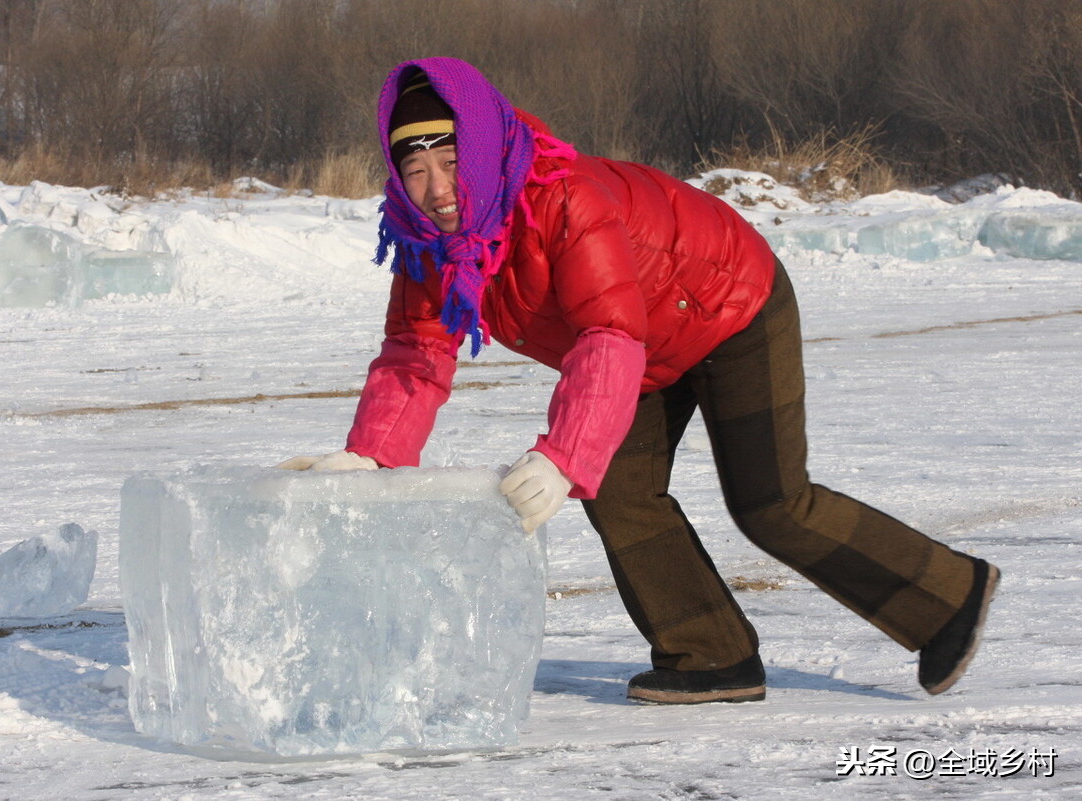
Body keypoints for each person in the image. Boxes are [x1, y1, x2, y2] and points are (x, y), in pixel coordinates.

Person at [280, 57, 1000, 704]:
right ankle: (712, 655)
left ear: (482, 144)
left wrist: (564, 454)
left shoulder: (563, 200)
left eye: (450, 159)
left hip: (726, 302)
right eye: (416, 170)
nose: (437, 190)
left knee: (771, 502)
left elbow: (606, 333)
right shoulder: (426, 243)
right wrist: (372, 453)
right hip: (643, 343)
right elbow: (415, 350)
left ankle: (948, 596)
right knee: (619, 488)